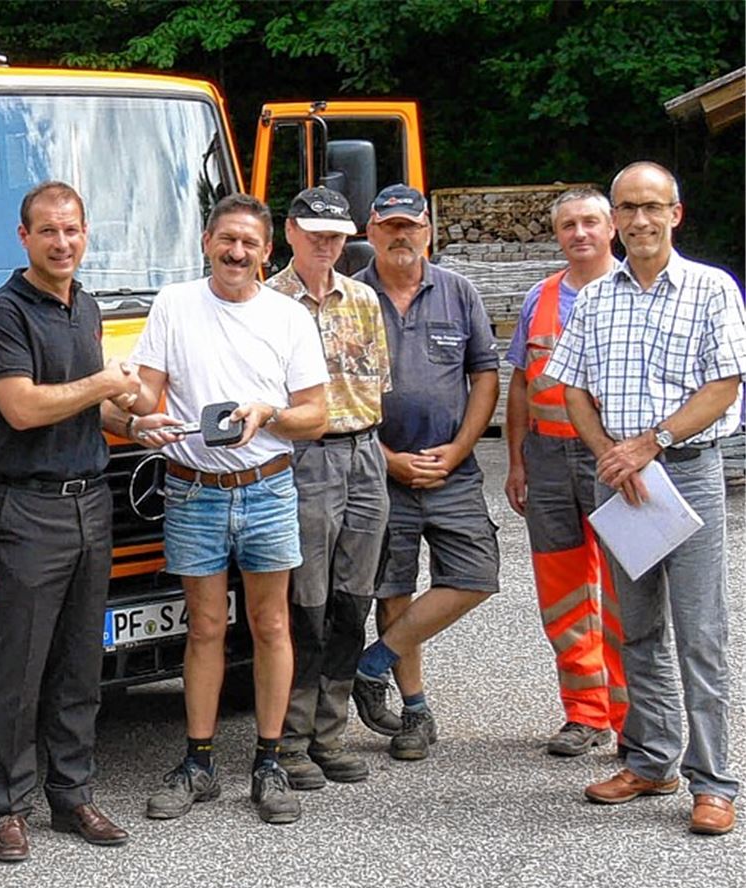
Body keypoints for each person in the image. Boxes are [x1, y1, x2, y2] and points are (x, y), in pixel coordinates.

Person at [0, 181, 177, 863]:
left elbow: (88, 407)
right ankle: (7, 808)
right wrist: (107, 385)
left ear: (87, 235)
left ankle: (73, 795)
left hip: (92, 500)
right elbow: (24, 409)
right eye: (49, 231)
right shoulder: (2, 314)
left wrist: (135, 423)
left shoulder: (83, 305)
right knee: (20, 667)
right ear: (23, 237)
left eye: (73, 230)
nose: (63, 242)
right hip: (27, 508)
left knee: (80, 664)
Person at [546, 161, 746, 836]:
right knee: (639, 629)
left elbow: (724, 385)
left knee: (701, 633)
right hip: (625, 479)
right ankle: (652, 759)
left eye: (650, 207)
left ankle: (713, 781)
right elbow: (569, 386)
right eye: (627, 208)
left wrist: (648, 444)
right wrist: (610, 450)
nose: (637, 220)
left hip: (685, 473)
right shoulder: (599, 297)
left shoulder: (710, 289)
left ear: (675, 214)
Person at [131, 193, 329, 824]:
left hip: (268, 486)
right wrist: (142, 419)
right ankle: (199, 762)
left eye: (249, 243)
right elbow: (145, 398)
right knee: (205, 628)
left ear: (266, 252)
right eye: (227, 240)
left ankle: (268, 763)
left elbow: (316, 416)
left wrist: (268, 414)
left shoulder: (289, 317)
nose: (237, 252)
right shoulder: (174, 305)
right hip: (193, 488)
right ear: (206, 242)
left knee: (272, 626)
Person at [350, 184, 500, 761]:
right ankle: (414, 712)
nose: (401, 235)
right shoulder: (351, 297)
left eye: (411, 225)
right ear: (371, 231)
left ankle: (373, 663)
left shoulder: (458, 292)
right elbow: (335, 392)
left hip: (452, 470)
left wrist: (462, 448)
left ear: (428, 231)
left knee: (476, 576)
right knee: (393, 589)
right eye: (390, 226)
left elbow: (484, 374)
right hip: (379, 469)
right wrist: (386, 457)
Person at [265, 186, 392, 789]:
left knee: (352, 599)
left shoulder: (364, 299)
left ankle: (331, 731)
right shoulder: (265, 302)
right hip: (304, 458)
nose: (326, 244)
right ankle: (290, 738)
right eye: (315, 232)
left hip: (365, 454)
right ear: (289, 231)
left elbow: (375, 388)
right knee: (304, 603)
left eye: (337, 235)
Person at [503, 188, 628, 757]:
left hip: (616, 457)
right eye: (569, 225)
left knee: (628, 594)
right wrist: (516, 460)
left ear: (612, 229)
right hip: (549, 459)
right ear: (558, 234)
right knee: (562, 593)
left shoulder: (636, 294)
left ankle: (636, 722)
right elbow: (522, 382)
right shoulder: (541, 298)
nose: (580, 233)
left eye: (591, 223)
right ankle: (585, 714)